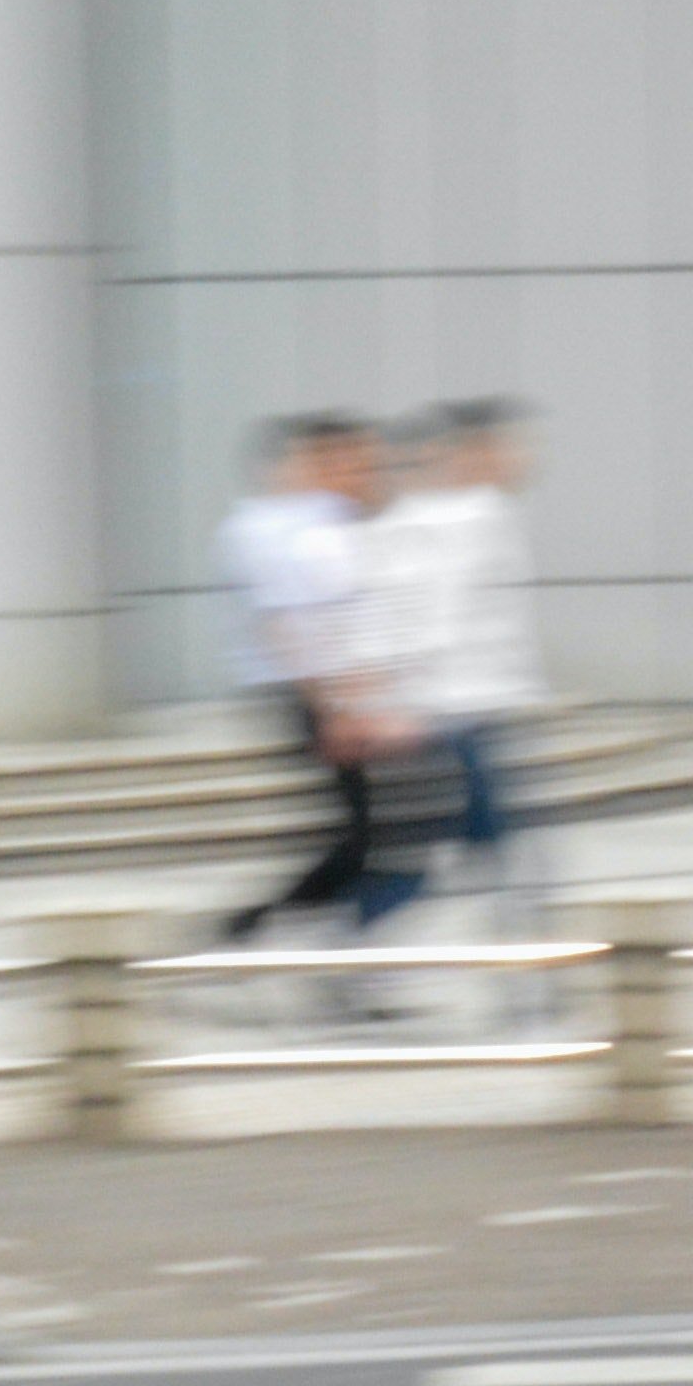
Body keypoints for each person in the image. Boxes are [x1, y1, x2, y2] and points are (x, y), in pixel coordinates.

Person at [213, 413, 423, 977]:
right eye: (356, 462)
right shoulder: (283, 529)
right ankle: (252, 929)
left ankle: (284, 935)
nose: (370, 474)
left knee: (367, 835)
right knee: (363, 837)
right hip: (311, 695)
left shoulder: (318, 523)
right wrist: (337, 711)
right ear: (310, 464)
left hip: (331, 695)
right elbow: (290, 629)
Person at [364, 398, 544, 920]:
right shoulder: (443, 521)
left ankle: (519, 947)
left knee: (480, 843)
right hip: (445, 712)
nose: (518, 459)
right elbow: (430, 621)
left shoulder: (477, 513)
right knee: (472, 843)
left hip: (467, 707)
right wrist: (401, 703)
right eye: (503, 448)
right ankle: (358, 945)